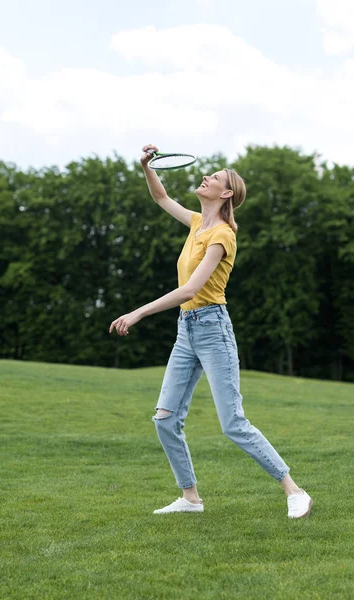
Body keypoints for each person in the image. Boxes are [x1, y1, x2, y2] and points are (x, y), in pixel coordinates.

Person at [109, 144, 313, 519]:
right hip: (186, 330)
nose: (206, 178)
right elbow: (160, 196)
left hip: (213, 328)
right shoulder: (195, 223)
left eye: (214, 178)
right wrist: (145, 166)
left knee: (233, 423)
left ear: (226, 193)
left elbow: (191, 289)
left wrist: (137, 313)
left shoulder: (222, 235)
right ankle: (190, 498)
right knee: (165, 419)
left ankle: (295, 491)